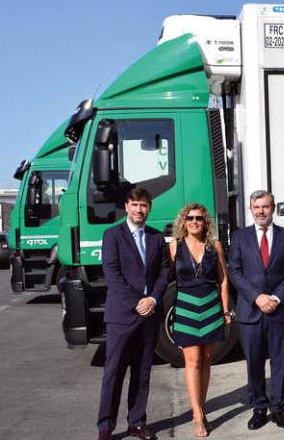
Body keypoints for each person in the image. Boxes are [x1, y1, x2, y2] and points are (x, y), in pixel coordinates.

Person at [97, 188, 170, 440]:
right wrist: (138, 302)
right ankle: (105, 427)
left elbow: (163, 272)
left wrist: (153, 298)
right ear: (127, 207)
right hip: (122, 315)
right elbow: (112, 274)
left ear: (149, 208)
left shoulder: (157, 237)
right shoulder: (112, 235)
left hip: (149, 314)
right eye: (135, 204)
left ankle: (137, 423)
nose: (140, 210)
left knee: (142, 372)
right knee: (114, 372)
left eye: (144, 205)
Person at [228, 191, 284, 430]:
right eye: (256, 207)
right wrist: (257, 297)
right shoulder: (239, 237)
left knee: (280, 361)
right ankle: (259, 407)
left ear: (273, 208)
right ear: (251, 209)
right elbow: (235, 272)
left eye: (265, 206)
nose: (261, 211)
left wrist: (277, 297)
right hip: (251, 310)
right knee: (254, 362)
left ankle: (279, 408)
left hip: (279, 311)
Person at [169, 203, 230, 437]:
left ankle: (201, 410)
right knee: (192, 360)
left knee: (206, 359)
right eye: (190, 218)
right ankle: (197, 415)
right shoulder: (174, 246)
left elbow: (223, 280)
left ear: (206, 222)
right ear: (183, 221)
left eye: (199, 218)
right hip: (185, 306)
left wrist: (225, 310)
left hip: (211, 306)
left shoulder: (215, 246)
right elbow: (165, 277)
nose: (195, 222)